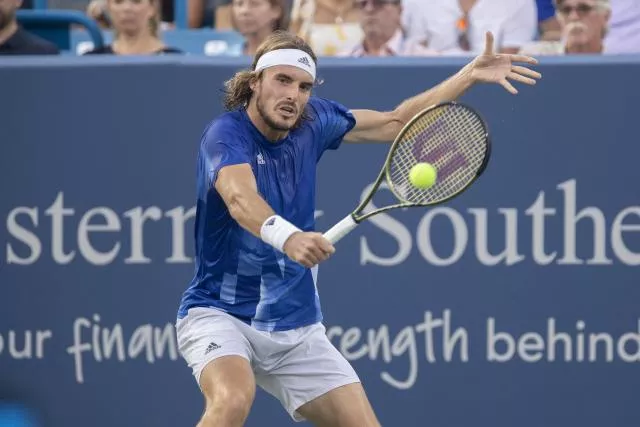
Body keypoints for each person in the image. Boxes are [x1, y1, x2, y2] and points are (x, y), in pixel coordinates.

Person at [175, 30, 540, 427]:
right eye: (282, 80)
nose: (293, 95)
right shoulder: (225, 134)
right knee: (231, 401)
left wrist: (469, 74)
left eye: (303, 87)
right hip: (221, 313)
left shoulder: (314, 123)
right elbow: (238, 197)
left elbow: (397, 122)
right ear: (253, 83)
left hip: (295, 326)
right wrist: (289, 237)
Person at [83, 0, 181, 55]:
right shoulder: (92, 60)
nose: (127, 8)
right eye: (118, 2)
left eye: (136, 1)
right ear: (109, 7)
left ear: (152, 8)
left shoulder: (176, 60)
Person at [520, 0, 610, 55]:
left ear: (605, 16)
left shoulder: (619, 59)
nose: (573, 17)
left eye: (583, 8)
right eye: (566, 10)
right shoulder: (535, 57)